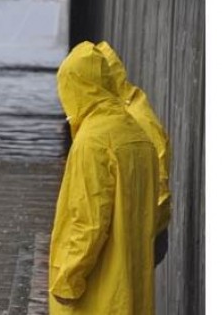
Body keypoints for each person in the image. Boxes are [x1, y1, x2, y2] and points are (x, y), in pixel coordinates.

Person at [49, 41, 159, 314]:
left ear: (77, 87)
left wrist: (66, 281)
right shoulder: (138, 136)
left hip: (97, 296)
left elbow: (88, 222)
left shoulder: (92, 142)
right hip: (131, 291)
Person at [96, 41, 172, 266]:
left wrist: (142, 231)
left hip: (140, 230)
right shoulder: (122, 109)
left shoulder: (136, 118)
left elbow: (159, 180)